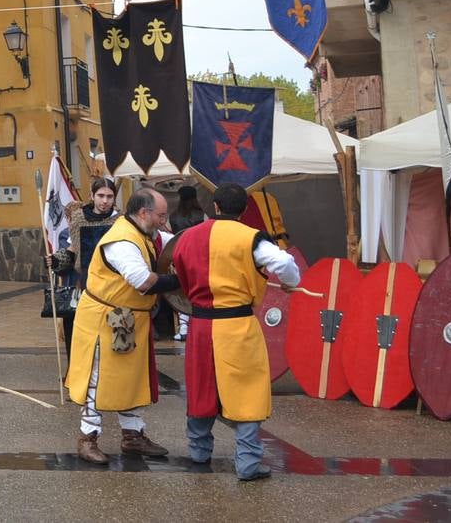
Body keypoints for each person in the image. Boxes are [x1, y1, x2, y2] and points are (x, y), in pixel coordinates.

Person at [171, 183, 301, 482]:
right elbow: (283, 262)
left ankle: (199, 453)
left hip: (201, 325)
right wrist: (292, 281)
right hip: (237, 325)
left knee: (202, 385)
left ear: (215, 206)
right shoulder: (251, 238)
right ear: (244, 210)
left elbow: (175, 270)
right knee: (247, 391)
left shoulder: (187, 237)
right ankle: (248, 463)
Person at [64, 188, 180, 466]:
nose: (164, 221)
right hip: (104, 320)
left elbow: (176, 242)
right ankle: (87, 438)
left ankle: (132, 436)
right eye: (161, 216)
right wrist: (180, 282)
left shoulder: (146, 234)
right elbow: (141, 280)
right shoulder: (122, 240)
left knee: (130, 378)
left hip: (129, 317)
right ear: (144, 213)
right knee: (98, 378)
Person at [48, 178, 120, 361]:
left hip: (113, 287)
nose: (105, 201)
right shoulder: (79, 218)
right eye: (101, 196)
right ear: (92, 196)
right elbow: (73, 252)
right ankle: (78, 375)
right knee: (80, 337)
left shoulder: (120, 221)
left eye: (109, 196)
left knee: (110, 338)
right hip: (83, 285)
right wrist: (56, 260)